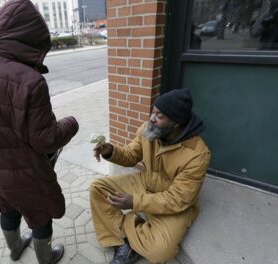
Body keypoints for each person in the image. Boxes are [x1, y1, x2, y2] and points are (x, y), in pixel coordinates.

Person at [0, 0, 79, 263]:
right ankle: (46, 258)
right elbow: (45, 140)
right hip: (24, 173)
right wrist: (72, 123)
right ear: (31, 39)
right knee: (39, 214)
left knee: (7, 208)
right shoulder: (30, 81)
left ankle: (15, 248)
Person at [90, 89, 211, 264]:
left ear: (176, 123)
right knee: (98, 188)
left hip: (172, 200)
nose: (151, 118)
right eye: (153, 112)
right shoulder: (150, 130)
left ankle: (129, 232)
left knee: (161, 252)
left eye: (159, 116)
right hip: (146, 182)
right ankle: (129, 239)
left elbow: (178, 199)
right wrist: (111, 151)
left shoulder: (198, 154)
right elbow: (131, 155)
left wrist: (134, 202)